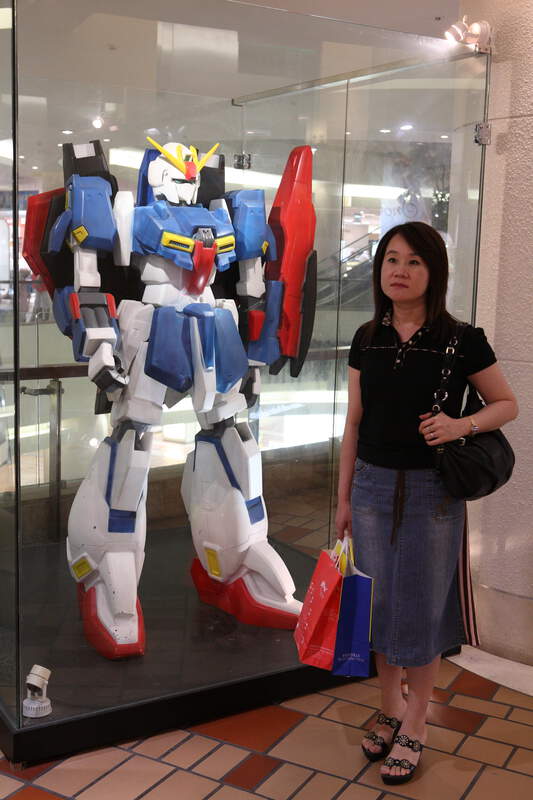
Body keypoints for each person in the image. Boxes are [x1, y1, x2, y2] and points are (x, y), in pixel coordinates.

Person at [335, 221, 518, 786]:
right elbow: (353, 423)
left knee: (419, 607)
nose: (400, 270)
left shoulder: (461, 339)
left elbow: (506, 403)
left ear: (434, 272)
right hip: (369, 487)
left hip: (430, 493)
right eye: (391, 259)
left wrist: (460, 424)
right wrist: (342, 499)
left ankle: (417, 720)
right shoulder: (367, 337)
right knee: (378, 605)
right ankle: (389, 707)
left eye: (414, 261)